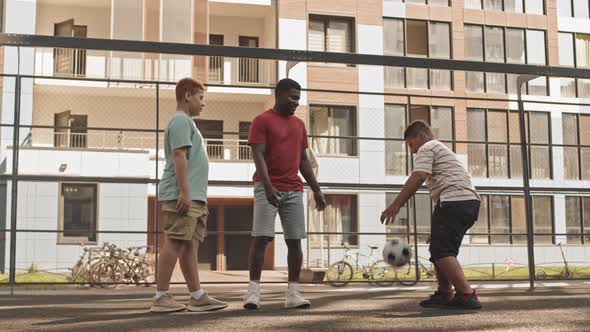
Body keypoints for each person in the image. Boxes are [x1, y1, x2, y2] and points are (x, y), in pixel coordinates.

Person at [243, 78, 327, 310]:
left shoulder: (299, 125)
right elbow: (258, 155)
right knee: (261, 238)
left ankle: (292, 293)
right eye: (292, 97)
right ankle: (253, 293)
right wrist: (268, 188)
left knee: (294, 241)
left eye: (298, 98)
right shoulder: (261, 120)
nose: (296, 102)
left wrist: (317, 189)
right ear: (278, 94)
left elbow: (303, 160)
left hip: (293, 189)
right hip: (266, 186)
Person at [381, 120, 482, 310]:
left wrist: (395, 205)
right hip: (463, 202)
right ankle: (445, 293)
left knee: (443, 251)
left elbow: (418, 176)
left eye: (411, 144)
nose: (412, 151)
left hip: (455, 201)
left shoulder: (427, 147)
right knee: (438, 248)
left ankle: (467, 295)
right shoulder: (441, 149)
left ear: (420, 136)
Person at [150, 77, 227, 313]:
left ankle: (197, 296)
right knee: (174, 242)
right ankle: (161, 296)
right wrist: (184, 192)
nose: (203, 103)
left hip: (194, 197)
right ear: (187, 96)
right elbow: (179, 156)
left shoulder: (187, 123)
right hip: (182, 195)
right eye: (200, 98)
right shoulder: (181, 121)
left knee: (189, 247)